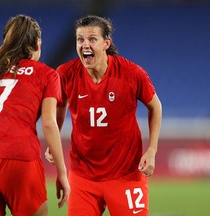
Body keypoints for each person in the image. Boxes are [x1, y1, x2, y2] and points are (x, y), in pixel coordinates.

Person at [45, 15, 162, 216]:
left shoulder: (131, 73)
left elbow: (155, 106)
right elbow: (60, 105)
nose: (84, 44)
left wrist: (152, 150)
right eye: (80, 40)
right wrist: (53, 138)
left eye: (92, 39)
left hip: (126, 173)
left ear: (106, 43)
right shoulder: (65, 74)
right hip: (83, 177)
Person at [0, 14, 70, 216]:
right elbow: (48, 123)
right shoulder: (46, 74)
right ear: (37, 44)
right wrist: (62, 172)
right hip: (20, 156)